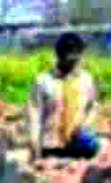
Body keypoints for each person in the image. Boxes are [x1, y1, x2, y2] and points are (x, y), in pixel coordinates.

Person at [26, 33, 99, 163]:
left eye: (77, 57)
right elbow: (34, 115)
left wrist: (85, 125)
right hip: (51, 149)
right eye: (70, 57)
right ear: (59, 56)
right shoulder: (43, 81)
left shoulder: (86, 80)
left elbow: (92, 107)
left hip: (79, 150)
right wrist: (34, 144)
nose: (74, 61)